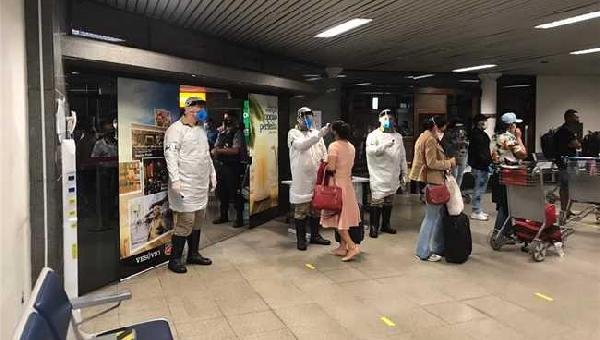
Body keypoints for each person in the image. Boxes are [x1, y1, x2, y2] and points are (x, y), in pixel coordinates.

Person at [164, 97, 216, 274]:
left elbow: (206, 155)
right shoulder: (175, 130)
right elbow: (171, 156)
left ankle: (193, 254)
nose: (200, 111)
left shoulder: (200, 130)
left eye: (202, 108)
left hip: (200, 186)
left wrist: (213, 174)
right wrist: (176, 180)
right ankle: (175, 259)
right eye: (196, 108)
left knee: (198, 221)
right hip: (184, 186)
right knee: (186, 222)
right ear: (186, 109)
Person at [409, 116, 455, 262]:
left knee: (434, 217)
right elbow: (431, 162)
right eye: (443, 128)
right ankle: (423, 251)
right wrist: (449, 163)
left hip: (430, 180)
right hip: (434, 180)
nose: (443, 131)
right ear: (436, 127)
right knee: (431, 218)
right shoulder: (429, 139)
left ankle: (435, 247)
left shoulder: (423, 136)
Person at [288, 107, 331, 251]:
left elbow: (323, 152)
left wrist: (325, 164)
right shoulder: (293, 134)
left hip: (317, 178)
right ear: (298, 119)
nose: (307, 121)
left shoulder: (316, 134)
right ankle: (301, 239)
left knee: (316, 209)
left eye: (310, 118)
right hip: (302, 179)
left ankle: (315, 235)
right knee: (301, 210)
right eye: (304, 118)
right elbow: (302, 146)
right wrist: (320, 134)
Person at [321, 120, 362, 262]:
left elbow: (331, 167)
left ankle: (351, 246)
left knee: (339, 219)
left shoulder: (333, 146)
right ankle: (343, 247)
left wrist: (324, 165)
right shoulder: (351, 147)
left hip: (336, 185)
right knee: (343, 217)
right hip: (347, 185)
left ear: (335, 132)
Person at [366, 109, 408, 238]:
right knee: (377, 201)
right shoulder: (373, 135)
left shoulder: (398, 137)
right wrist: (385, 145)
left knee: (389, 201)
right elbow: (371, 151)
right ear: (379, 120)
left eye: (390, 119)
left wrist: (405, 173)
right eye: (385, 119)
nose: (388, 121)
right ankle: (374, 227)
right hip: (378, 175)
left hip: (393, 175)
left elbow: (402, 156)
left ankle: (386, 224)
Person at [491, 112, 528, 237]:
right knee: (507, 204)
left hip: (497, 173)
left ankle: (505, 231)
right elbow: (523, 154)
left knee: (503, 203)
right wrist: (519, 137)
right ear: (511, 125)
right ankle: (500, 233)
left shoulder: (495, 136)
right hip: (509, 175)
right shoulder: (509, 138)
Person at [212, 112, 245, 228]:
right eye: (225, 119)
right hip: (221, 166)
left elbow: (236, 150)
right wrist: (216, 151)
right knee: (222, 192)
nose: (227, 122)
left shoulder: (237, 133)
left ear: (235, 120)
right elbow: (216, 146)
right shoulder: (221, 133)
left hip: (232, 167)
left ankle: (239, 218)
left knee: (234, 193)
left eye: (229, 119)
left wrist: (219, 151)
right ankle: (223, 215)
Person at [554, 109, 581, 218]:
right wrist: (577, 143)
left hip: (563, 163)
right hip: (566, 164)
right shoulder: (566, 132)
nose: (577, 119)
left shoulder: (561, 130)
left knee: (567, 187)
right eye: (575, 117)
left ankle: (566, 210)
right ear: (568, 118)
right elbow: (577, 145)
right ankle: (564, 211)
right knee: (566, 187)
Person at [468, 114, 493, 221]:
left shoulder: (482, 134)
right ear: (479, 122)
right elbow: (480, 152)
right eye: (483, 121)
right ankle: (476, 211)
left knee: (481, 189)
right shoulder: (476, 135)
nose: (485, 123)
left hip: (483, 165)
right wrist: (487, 162)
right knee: (479, 188)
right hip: (480, 165)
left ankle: (478, 209)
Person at [442, 118, 469, 188]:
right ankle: (453, 190)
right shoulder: (448, 133)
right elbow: (446, 144)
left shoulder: (464, 132)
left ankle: (457, 190)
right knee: (454, 174)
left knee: (460, 174)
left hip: (462, 154)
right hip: (453, 155)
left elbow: (467, 141)